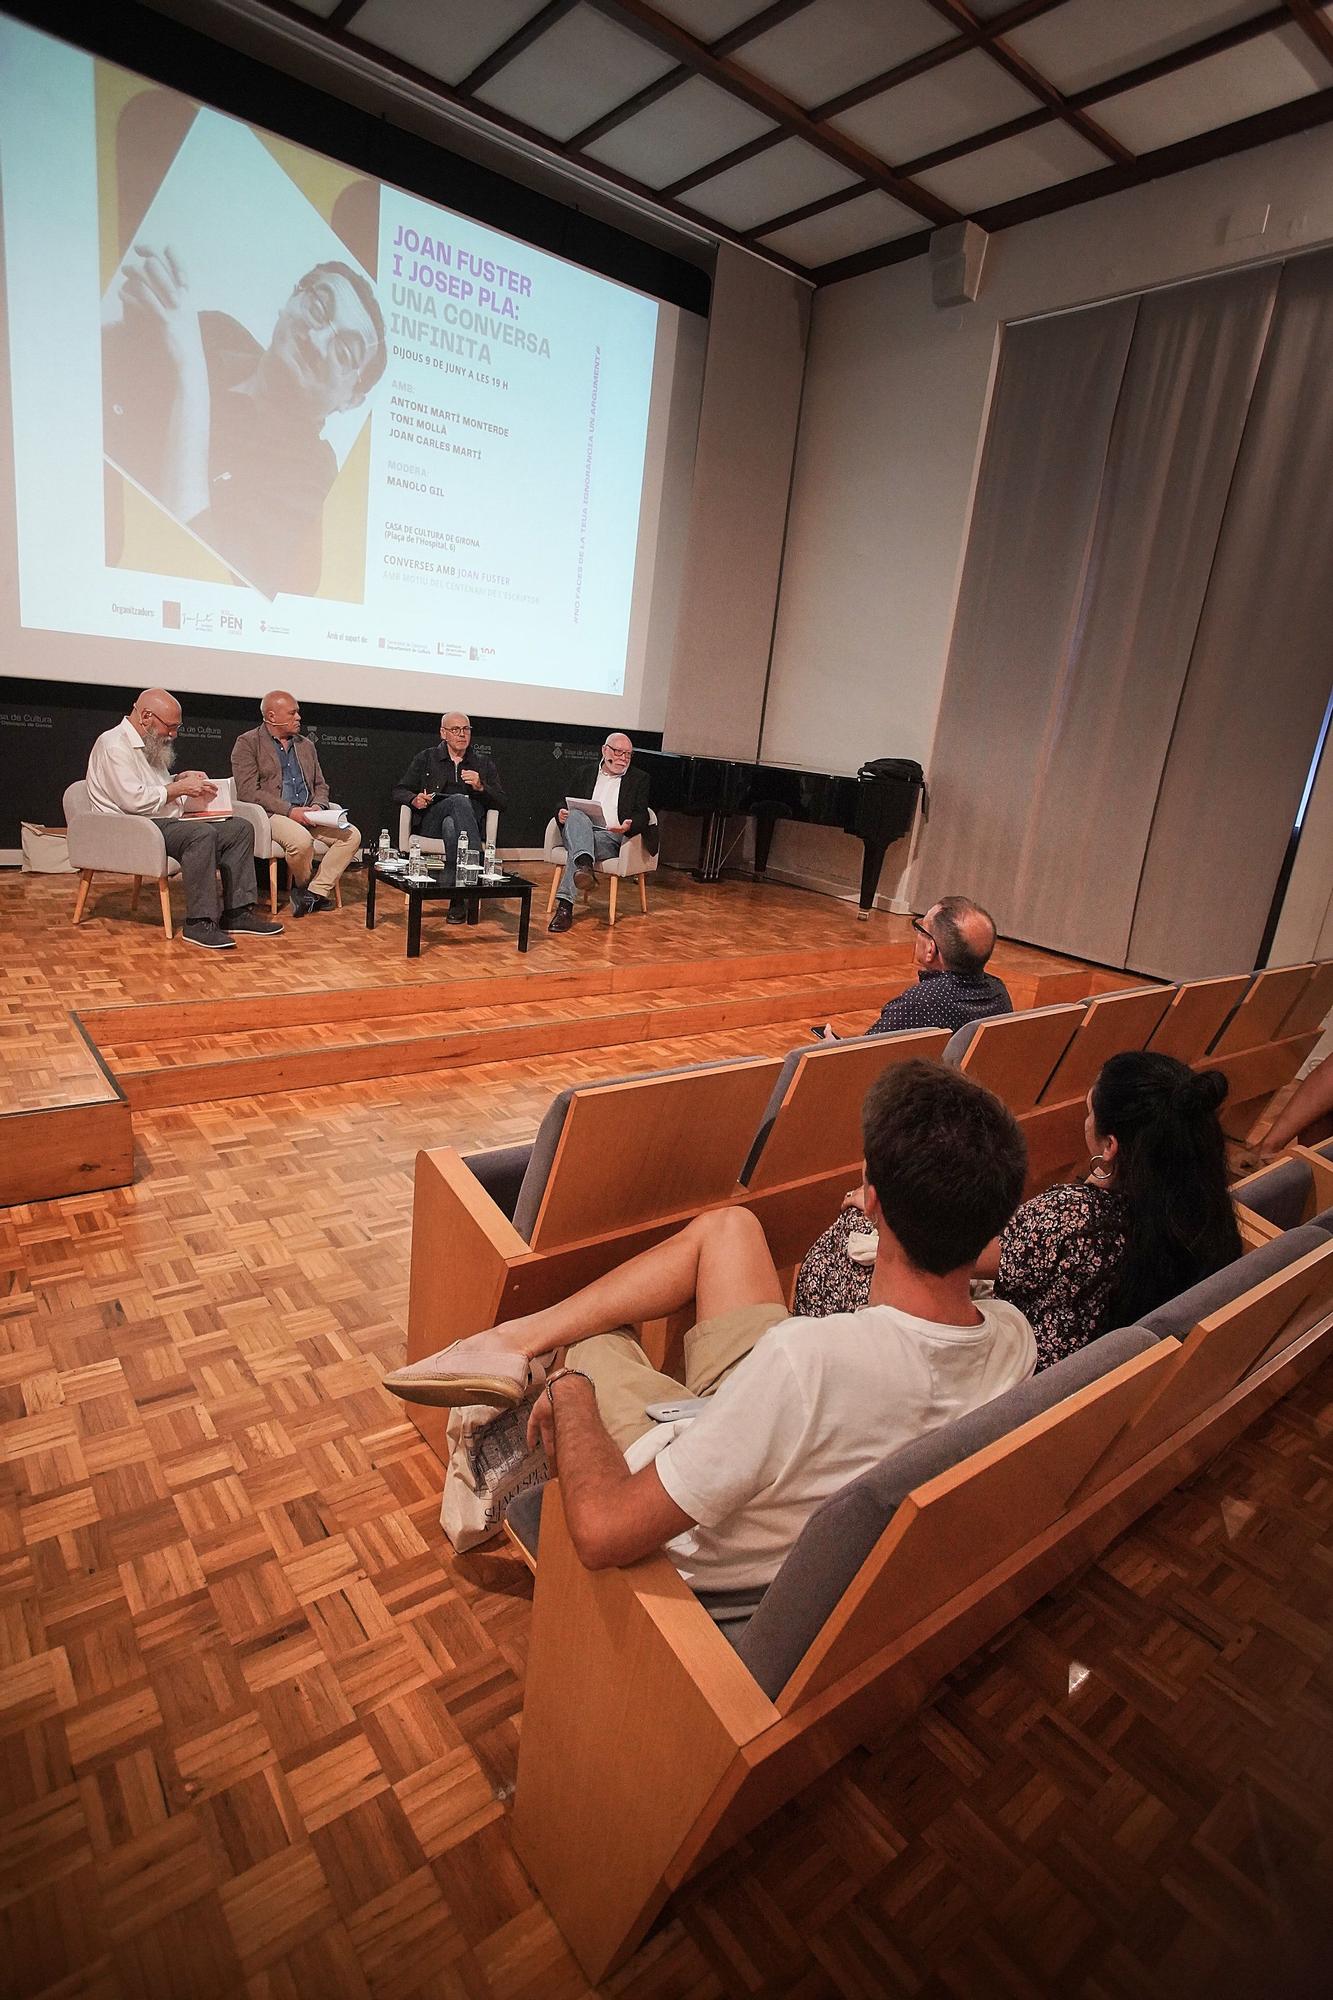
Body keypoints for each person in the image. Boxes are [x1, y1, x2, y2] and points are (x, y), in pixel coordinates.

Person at [382, 1062, 1035, 1590]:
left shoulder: (805, 1361)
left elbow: (606, 1531)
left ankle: (518, 1392)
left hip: (682, 1543)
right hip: (782, 1432)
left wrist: (570, 1395)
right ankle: (505, 1342)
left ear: (870, 1205)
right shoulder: (1013, 1336)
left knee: (590, 1338)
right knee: (729, 1229)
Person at [795, 1050, 1242, 1371]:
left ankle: (816, 1340)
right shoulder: (1202, 1208)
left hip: (1011, 1372)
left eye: (1090, 1113)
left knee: (849, 1233)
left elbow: (960, 1255)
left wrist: (882, 1204)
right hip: (1080, 1373)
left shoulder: (1075, 1218)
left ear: (1109, 1146)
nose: (1084, 1120)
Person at [103, 247, 386, 599]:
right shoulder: (219, 331)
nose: (316, 340)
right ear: (292, 298)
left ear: (351, 400)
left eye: (344, 351)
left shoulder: (314, 480)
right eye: (317, 309)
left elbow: (207, 583)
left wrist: (191, 371)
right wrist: (137, 316)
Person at [84, 688, 283, 952]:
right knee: (200, 834)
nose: (174, 734)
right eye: (171, 727)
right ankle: (199, 922)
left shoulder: (148, 742)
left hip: (159, 822)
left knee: (239, 828)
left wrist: (178, 779)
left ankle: (236, 912)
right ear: (146, 716)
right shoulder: (114, 745)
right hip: (131, 828)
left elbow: (155, 786)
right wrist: (180, 789)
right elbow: (133, 800)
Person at [230, 691, 362, 916]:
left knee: (352, 836)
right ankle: (306, 888)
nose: (299, 717)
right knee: (301, 842)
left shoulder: (306, 745)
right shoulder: (248, 743)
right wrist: (290, 811)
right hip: (273, 814)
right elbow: (248, 792)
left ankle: (313, 893)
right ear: (271, 716)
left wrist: (319, 807)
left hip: (311, 813)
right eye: (292, 713)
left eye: (298, 712)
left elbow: (321, 785)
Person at [814, 897, 1011, 1040]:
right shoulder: (998, 992)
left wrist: (833, 1047)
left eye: (921, 928)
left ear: (931, 950)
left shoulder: (919, 1002)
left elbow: (862, 1058)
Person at [391, 713, 507, 924]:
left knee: (452, 826)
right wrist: (415, 799)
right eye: (455, 730)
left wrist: (481, 787)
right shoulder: (426, 758)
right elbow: (399, 791)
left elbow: (501, 802)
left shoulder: (482, 763)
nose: (462, 734)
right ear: (443, 733)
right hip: (432, 821)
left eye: (466, 729)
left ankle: (457, 899)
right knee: (457, 801)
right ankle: (474, 871)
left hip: (466, 825)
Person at [548, 732, 657, 934]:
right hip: (580, 829)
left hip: (611, 836)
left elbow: (644, 814)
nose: (623, 758)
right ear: (604, 750)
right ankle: (584, 867)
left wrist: (627, 825)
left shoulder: (639, 778)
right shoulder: (584, 773)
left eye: (628, 754)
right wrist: (561, 813)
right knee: (577, 815)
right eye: (618, 752)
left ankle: (565, 906)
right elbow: (563, 801)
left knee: (580, 847)